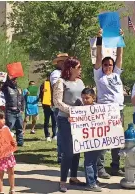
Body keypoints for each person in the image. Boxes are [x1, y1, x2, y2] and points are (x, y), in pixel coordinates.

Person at [94, 29, 125, 178]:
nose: (107, 66)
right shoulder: (99, 75)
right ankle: (100, 168)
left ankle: (115, 166)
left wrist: (120, 39)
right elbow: (99, 56)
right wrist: (99, 40)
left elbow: (119, 55)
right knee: (104, 140)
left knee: (117, 140)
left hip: (118, 110)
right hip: (104, 111)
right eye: (105, 65)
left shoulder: (116, 74)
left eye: (110, 65)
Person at [53, 57, 86, 192]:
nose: (80, 70)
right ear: (71, 68)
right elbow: (57, 102)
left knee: (77, 149)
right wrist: (71, 110)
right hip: (65, 120)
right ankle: (62, 181)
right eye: (78, 67)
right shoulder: (61, 82)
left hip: (79, 120)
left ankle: (73, 177)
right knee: (68, 152)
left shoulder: (80, 82)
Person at [80, 88, 105, 192]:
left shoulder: (98, 108)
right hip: (87, 140)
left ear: (93, 98)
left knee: (94, 160)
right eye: (83, 98)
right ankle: (91, 183)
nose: (84, 100)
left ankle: (94, 180)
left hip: (97, 140)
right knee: (89, 161)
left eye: (87, 98)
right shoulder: (80, 110)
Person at [51, 53, 69, 163]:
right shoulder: (56, 74)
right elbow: (56, 87)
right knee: (62, 131)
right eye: (63, 61)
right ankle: (61, 156)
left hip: (67, 105)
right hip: (60, 106)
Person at [2, 76, 25, 146]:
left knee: (20, 127)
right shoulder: (6, 88)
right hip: (10, 111)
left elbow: (22, 99)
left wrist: (22, 109)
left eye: (15, 80)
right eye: (12, 80)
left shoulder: (19, 89)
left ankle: (20, 142)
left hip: (18, 112)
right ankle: (7, 142)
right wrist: (7, 79)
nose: (14, 81)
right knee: (9, 128)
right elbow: (2, 85)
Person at [39, 73, 57, 141]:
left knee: (54, 121)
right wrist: (42, 92)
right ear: (47, 77)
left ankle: (54, 134)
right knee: (46, 121)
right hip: (46, 106)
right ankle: (47, 135)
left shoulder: (55, 84)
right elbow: (40, 95)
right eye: (50, 77)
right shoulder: (44, 84)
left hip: (54, 105)